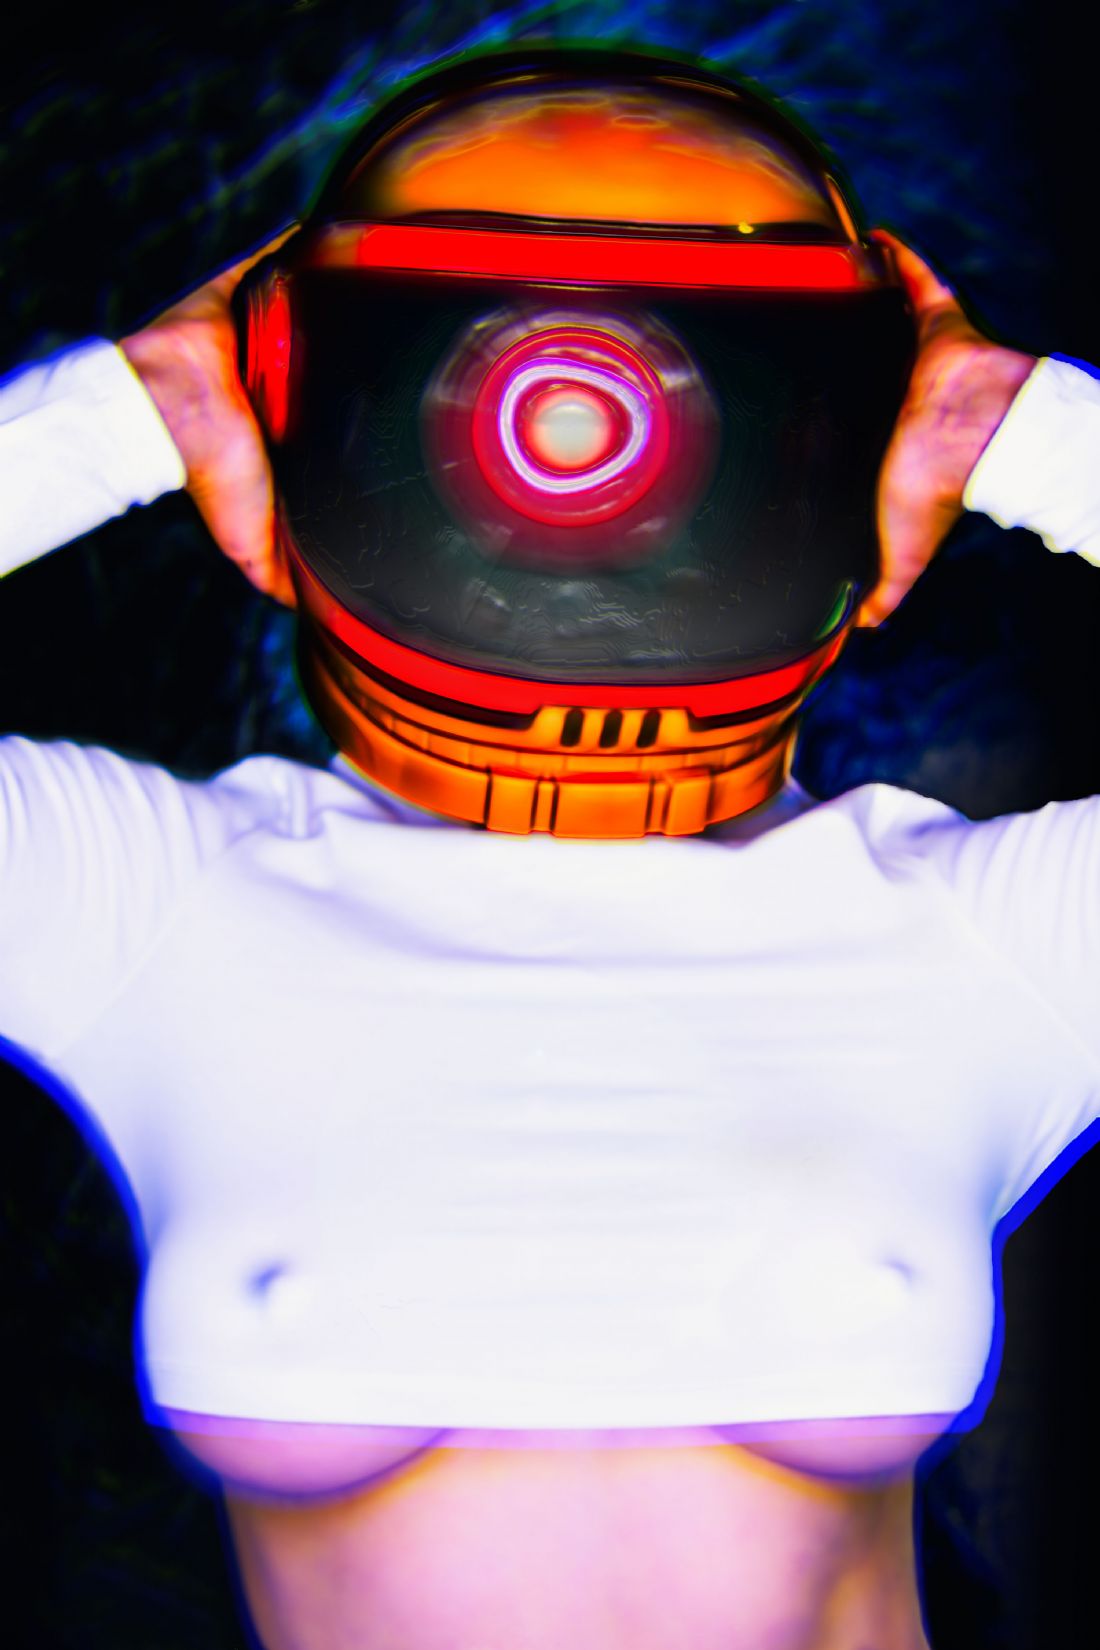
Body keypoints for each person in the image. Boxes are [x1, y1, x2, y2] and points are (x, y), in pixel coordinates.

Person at [2, 47, 1097, 1650]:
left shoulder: (988, 940)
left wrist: (1000, 420)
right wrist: (138, 405)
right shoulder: (150, 904)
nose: (579, 447)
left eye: (687, 382)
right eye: (481, 370)